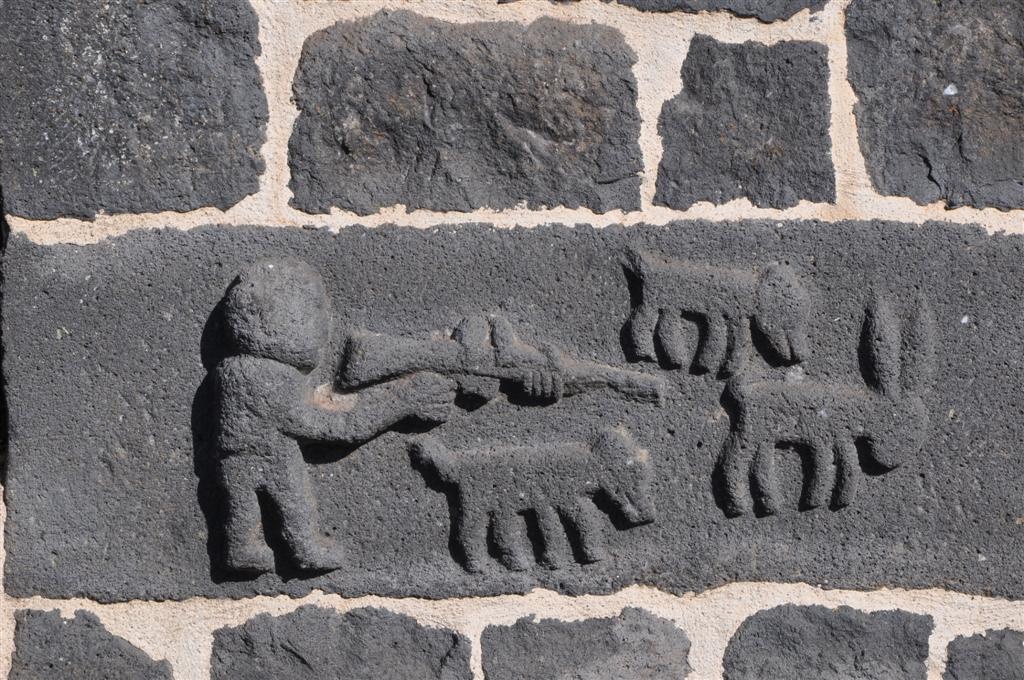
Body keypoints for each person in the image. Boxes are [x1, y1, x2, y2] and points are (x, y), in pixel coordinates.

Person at [213, 259, 457, 573]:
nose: (324, 325)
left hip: (241, 457)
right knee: (292, 501)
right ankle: (300, 548)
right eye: (313, 313)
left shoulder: (232, 370)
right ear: (270, 324)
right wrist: (402, 402)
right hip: (271, 455)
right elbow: (337, 427)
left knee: (246, 505)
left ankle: (247, 547)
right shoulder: (268, 378)